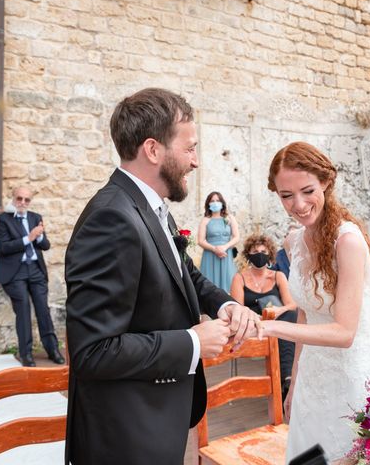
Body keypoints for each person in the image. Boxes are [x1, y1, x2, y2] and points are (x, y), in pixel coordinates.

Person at [64, 88, 258, 465]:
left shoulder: (149, 206)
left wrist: (227, 304)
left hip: (157, 422)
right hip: (125, 438)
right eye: (189, 148)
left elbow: (185, 273)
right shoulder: (111, 218)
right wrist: (192, 342)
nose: (196, 161)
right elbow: (92, 353)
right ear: (153, 150)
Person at [261, 141, 370, 463]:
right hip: (311, 377)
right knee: (306, 458)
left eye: (307, 190)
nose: (298, 204)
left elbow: (344, 333)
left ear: (326, 183)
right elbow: (306, 314)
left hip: (350, 377)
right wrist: (296, 380)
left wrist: (271, 327)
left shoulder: (348, 241)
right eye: (286, 196)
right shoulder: (293, 241)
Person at [0, 186, 64, 367]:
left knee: (43, 310)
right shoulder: (3, 220)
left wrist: (39, 237)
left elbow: (46, 245)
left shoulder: (35, 217)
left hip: (35, 270)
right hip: (14, 272)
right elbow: (3, 247)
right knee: (23, 309)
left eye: (26, 200)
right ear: (13, 198)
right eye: (19, 198)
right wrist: (29, 238)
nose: (22, 203)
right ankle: (26, 354)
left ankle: (52, 349)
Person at [230, 233, 298, 398]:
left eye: (263, 251)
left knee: (289, 315)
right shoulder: (240, 278)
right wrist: (261, 317)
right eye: (255, 251)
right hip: (254, 323)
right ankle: (286, 379)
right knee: (284, 326)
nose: (259, 254)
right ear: (248, 254)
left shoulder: (277, 276)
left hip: (278, 319)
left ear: (269, 254)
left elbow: (291, 304)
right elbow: (237, 308)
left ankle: (286, 379)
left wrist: (277, 310)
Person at [198, 191, 239, 292]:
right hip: (210, 255)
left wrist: (224, 247)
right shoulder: (205, 220)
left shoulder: (230, 218)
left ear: (222, 203)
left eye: (217, 200)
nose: (215, 202)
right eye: (212, 201)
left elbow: (236, 237)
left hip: (226, 254)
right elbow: (200, 240)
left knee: (229, 284)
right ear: (208, 204)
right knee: (209, 285)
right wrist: (214, 249)